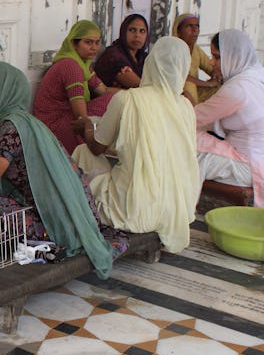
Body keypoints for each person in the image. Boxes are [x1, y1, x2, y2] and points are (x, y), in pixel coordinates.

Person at [0, 62, 118, 279]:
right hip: (70, 218)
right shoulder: (24, 122)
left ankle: (41, 247)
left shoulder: (10, 130)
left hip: (56, 225)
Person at [71, 36, 201, 253]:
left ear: (151, 63)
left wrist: (86, 127)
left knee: (83, 151)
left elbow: (97, 147)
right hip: (178, 210)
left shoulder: (127, 99)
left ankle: (76, 216)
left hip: (134, 212)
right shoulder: (186, 106)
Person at [195, 29, 264, 208]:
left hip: (250, 169)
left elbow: (190, 118)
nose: (212, 63)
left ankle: (176, 208)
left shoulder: (238, 89)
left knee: (181, 144)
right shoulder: (254, 77)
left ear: (235, 57)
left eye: (217, 57)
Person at [33, 20, 120, 154]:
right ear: (73, 43)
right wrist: (93, 139)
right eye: (88, 42)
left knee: (119, 98)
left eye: (97, 42)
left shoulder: (83, 65)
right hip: (54, 125)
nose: (94, 48)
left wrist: (134, 93)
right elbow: (80, 117)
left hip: (64, 119)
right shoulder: (70, 66)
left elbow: (103, 90)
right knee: (113, 101)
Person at [172, 13, 221, 104]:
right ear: (178, 31)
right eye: (189, 26)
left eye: (197, 26)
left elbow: (211, 67)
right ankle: (192, 114)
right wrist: (207, 84)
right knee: (189, 85)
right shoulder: (171, 49)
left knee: (221, 85)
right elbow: (178, 76)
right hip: (175, 93)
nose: (194, 30)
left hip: (193, 93)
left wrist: (216, 76)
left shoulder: (196, 49)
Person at [93, 14, 149, 89]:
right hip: (109, 100)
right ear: (123, 31)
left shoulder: (143, 57)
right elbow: (139, 87)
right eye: (132, 30)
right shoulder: (113, 55)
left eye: (142, 31)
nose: (137, 35)